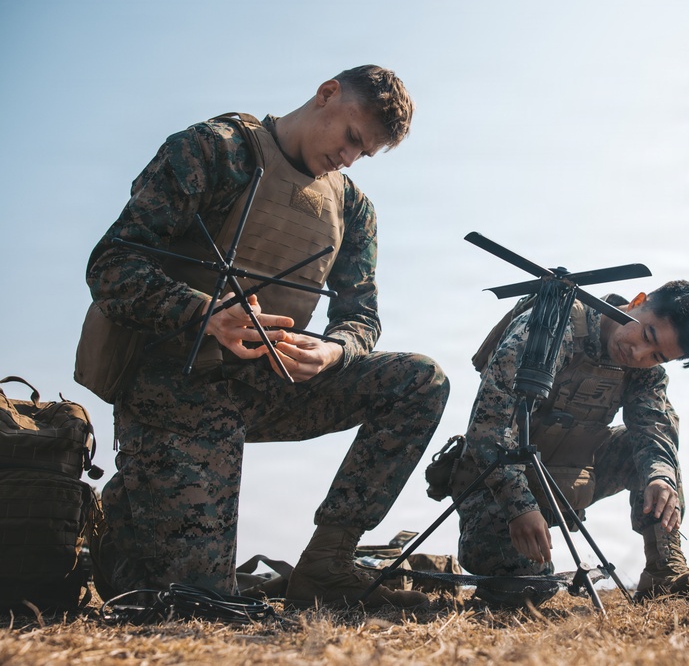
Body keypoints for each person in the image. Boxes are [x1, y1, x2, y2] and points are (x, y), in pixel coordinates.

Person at [80, 65, 449, 610]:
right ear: (326, 95)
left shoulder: (353, 207)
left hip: (272, 389)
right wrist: (204, 313)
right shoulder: (213, 151)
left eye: (364, 153)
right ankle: (136, 498)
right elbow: (112, 264)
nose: (350, 157)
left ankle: (326, 566)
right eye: (351, 138)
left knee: (420, 381)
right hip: (177, 389)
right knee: (199, 601)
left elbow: (362, 317)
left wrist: (333, 350)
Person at [449, 280, 689, 606]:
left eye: (657, 356)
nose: (639, 354)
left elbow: (653, 430)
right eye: (647, 336)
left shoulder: (644, 370)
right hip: (496, 483)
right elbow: (487, 431)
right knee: (528, 587)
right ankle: (438, 567)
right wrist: (519, 505)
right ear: (637, 301)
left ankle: (664, 572)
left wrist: (660, 478)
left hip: (571, 475)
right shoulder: (549, 329)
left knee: (656, 456)